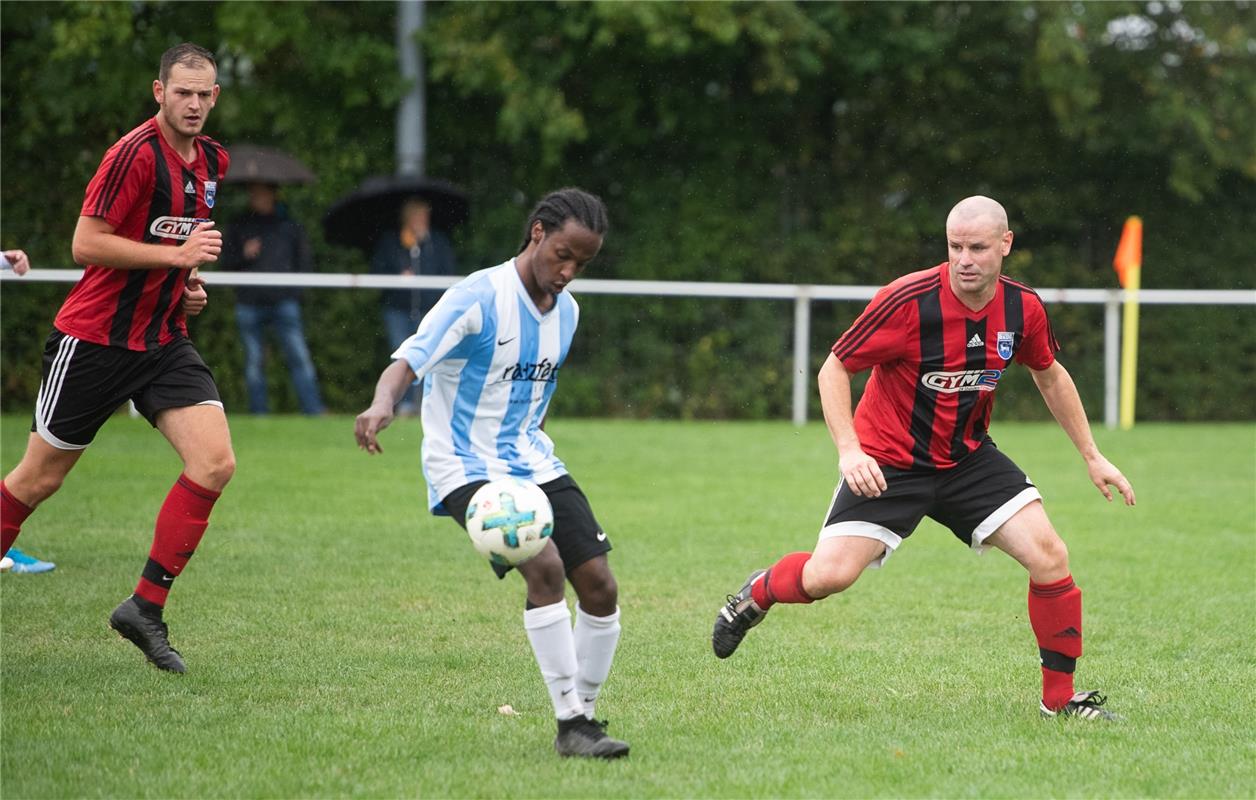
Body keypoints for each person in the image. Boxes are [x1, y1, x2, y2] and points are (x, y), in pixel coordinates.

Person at [711, 196, 1136, 721]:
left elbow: (1049, 373)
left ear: (1005, 245)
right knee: (828, 578)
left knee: (1050, 556)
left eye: (977, 247)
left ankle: (1060, 702)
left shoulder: (1022, 308)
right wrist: (849, 450)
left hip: (967, 460)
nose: (965, 259)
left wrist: (1092, 456)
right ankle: (755, 593)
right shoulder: (908, 300)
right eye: (955, 246)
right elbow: (834, 369)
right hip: (889, 462)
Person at [354, 188, 629, 759]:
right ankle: (570, 724)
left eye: (582, 262)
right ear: (537, 233)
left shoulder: (569, 313)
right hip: (464, 465)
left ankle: (586, 715)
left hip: (532, 460)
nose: (569, 271)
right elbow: (408, 359)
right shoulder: (477, 297)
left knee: (601, 586)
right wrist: (382, 405)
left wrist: (537, 453)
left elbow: (539, 393)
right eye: (562, 254)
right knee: (545, 566)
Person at [0, 43, 235, 673]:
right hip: (95, 342)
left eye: (203, 93)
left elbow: (175, 247)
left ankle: (144, 609)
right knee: (36, 482)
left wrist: (186, 291)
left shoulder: (212, 162)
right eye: (181, 92)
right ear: (158, 92)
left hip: (161, 342)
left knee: (214, 464)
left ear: (216, 96)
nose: (193, 103)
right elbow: (87, 243)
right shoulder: (132, 155)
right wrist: (178, 259)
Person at [221, 182, 324, 415]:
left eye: (263, 193)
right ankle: (259, 414)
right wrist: (243, 255)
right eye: (254, 193)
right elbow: (226, 263)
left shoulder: (289, 225)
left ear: (273, 195)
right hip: (249, 303)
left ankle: (314, 411)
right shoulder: (240, 225)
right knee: (254, 362)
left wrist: (295, 293)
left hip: (284, 302)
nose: (258, 198)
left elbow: (304, 262)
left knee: (299, 357)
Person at [369, 197, 457, 414]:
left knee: (431, 356)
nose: (421, 221)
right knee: (402, 356)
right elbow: (378, 270)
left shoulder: (437, 242)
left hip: (429, 309)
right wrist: (399, 276)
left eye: (424, 216)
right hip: (398, 308)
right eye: (416, 216)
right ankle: (405, 405)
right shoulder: (391, 242)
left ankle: (428, 404)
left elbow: (447, 272)